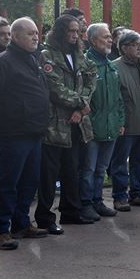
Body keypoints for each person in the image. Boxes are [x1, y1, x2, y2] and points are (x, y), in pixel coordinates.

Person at [0, 18, 49, 249]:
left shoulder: (32, 59)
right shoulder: (4, 62)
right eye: (29, 33)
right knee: (7, 183)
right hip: (12, 135)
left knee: (29, 182)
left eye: (36, 33)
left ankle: (21, 223)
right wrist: (2, 126)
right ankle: (0, 229)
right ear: (15, 37)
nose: (35, 37)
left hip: (34, 132)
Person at [36, 14, 96, 230]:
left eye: (77, 31)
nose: (74, 35)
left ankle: (71, 211)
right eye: (70, 31)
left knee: (72, 169)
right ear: (60, 31)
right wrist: (80, 104)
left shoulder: (79, 54)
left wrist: (82, 106)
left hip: (76, 122)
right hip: (55, 124)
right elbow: (55, 88)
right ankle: (44, 217)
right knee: (49, 174)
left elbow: (91, 77)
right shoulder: (47, 55)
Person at [78, 23, 124, 221]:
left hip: (110, 127)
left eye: (109, 37)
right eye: (105, 37)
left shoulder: (111, 65)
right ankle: (85, 203)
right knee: (88, 169)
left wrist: (120, 121)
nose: (110, 40)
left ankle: (97, 200)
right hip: (92, 128)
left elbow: (119, 99)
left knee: (101, 169)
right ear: (93, 40)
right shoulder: (86, 64)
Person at [109, 31, 140, 210]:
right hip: (126, 125)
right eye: (135, 45)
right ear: (123, 47)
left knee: (139, 161)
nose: (139, 48)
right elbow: (114, 99)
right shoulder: (115, 67)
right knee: (120, 162)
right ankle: (119, 196)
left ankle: (137, 193)